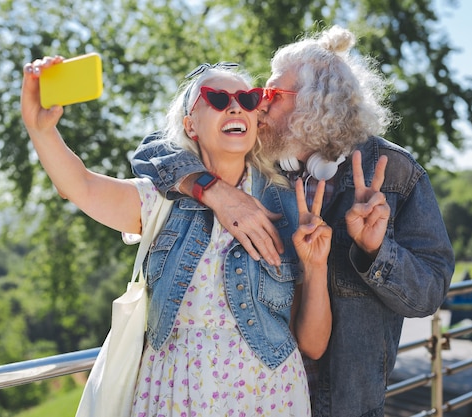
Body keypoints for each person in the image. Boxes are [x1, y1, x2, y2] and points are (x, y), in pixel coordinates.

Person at [130, 25, 455, 417]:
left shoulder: (395, 173)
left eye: (271, 95)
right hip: (254, 397)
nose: (258, 106)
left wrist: (375, 250)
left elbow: (429, 294)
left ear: (315, 103)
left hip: (347, 405)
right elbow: (156, 147)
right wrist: (213, 190)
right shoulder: (256, 160)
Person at [21, 57, 333, 416]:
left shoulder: (287, 207)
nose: (234, 106)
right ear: (191, 125)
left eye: (247, 99)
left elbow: (313, 344)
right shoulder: (160, 201)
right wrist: (41, 130)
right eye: (216, 99)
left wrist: (316, 267)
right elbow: (82, 186)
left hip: (270, 398)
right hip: (174, 396)